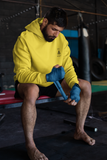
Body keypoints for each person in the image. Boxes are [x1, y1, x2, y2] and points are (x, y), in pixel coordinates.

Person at [13, 7, 95, 160]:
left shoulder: (60, 39)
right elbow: (22, 74)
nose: (57, 35)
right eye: (54, 29)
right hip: (30, 82)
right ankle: (30, 145)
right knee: (31, 90)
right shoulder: (24, 38)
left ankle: (79, 131)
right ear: (44, 22)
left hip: (53, 81)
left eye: (60, 31)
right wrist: (46, 77)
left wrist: (74, 86)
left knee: (85, 85)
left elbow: (68, 67)